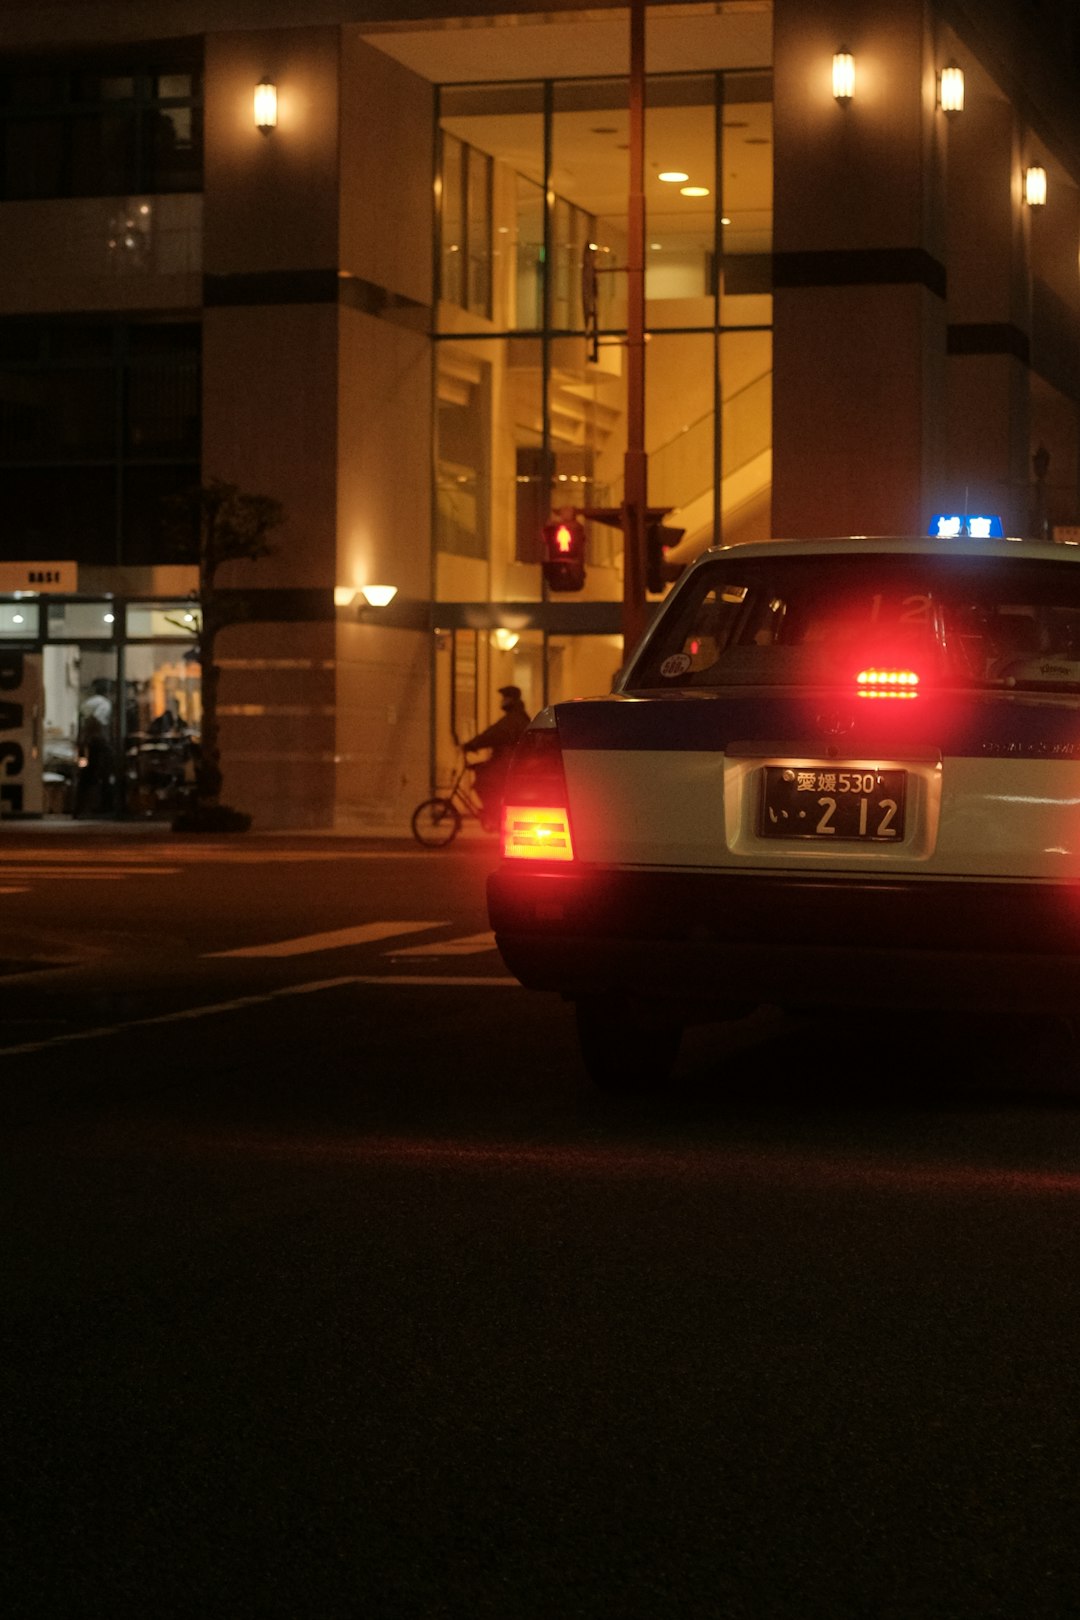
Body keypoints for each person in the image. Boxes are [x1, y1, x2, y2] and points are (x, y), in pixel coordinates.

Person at [462, 684, 531, 830]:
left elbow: (494, 734)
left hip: (508, 764)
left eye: (504, 698)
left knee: (484, 782)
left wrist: (473, 744)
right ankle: (494, 814)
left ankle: (493, 815)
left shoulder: (513, 719)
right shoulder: (517, 716)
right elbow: (494, 733)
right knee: (483, 772)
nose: (502, 701)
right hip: (509, 762)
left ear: (510, 700)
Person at [75, 678, 114, 816]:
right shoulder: (104, 704)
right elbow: (96, 719)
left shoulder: (87, 703)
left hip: (88, 742)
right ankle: (101, 807)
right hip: (99, 742)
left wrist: (82, 739)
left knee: (87, 775)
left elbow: (82, 722)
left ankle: (81, 806)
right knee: (101, 774)